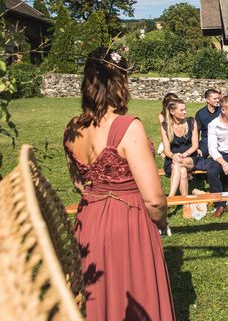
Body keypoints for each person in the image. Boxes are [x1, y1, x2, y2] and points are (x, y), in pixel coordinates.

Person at [64, 47, 175, 320]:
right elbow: (154, 199)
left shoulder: (72, 127)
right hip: (128, 223)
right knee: (134, 292)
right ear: (119, 83)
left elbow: (79, 183)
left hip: (88, 221)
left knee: (97, 295)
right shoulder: (128, 126)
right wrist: (161, 222)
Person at [160, 99, 203, 217]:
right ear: (172, 111)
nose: (185, 112)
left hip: (189, 156)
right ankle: (186, 205)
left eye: (185, 109)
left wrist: (183, 155)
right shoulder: (165, 126)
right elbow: (167, 150)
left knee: (178, 165)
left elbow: (195, 145)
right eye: (181, 110)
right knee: (182, 171)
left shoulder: (191, 122)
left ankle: (170, 199)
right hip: (172, 159)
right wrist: (174, 156)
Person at [194, 88, 221, 159]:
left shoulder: (222, 111)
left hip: (220, 139)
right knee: (197, 157)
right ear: (207, 100)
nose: (217, 100)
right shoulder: (200, 113)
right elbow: (196, 132)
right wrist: (196, 147)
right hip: (206, 140)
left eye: (218, 98)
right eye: (214, 99)